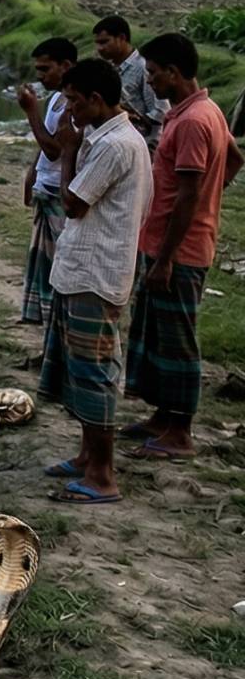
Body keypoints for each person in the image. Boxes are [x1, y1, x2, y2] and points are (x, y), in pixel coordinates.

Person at [122, 32, 244, 460]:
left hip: (179, 252)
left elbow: (189, 193)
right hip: (164, 244)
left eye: (154, 75)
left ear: (174, 73)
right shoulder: (203, 111)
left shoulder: (194, 121)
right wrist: (216, 192)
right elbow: (234, 158)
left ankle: (181, 432)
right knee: (156, 334)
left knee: (178, 340)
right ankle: (163, 415)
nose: (149, 82)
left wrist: (168, 257)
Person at [39, 58, 152, 505]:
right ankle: (88, 456)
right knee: (80, 368)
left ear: (96, 100)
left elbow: (73, 204)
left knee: (94, 372)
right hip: (83, 268)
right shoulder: (105, 137)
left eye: (72, 102)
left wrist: (67, 150)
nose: (67, 111)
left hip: (96, 273)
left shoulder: (116, 145)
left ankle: (103, 475)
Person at [15, 37, 76, 323]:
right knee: (41, 258)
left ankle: (56, 319)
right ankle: (40, 316)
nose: (40, 76)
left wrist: (30, 112)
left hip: (60, 192)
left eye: (45, 69)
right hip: (46, 188)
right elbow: (44, 146)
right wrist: (31, 174)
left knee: (58, 260)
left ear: (66, 66)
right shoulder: (54, 99)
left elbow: (55, 150)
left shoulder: (73, 106)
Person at [91, 15, 167, 147]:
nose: (99, 48)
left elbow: (160, 110)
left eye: (104, 42)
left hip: (144, 144)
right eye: (97, 43)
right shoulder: (110, 69)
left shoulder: (143, 67)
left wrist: (133, 120)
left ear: (121, 38)